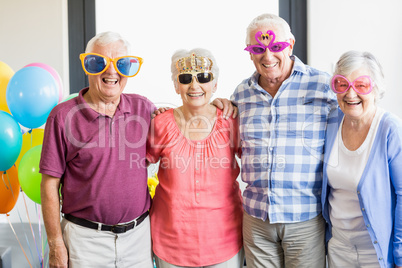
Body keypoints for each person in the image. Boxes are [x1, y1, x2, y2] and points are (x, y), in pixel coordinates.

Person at [215, 13, 338, 267]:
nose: (267, 56)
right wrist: (218, 106)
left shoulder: (322, 86)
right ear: (249, 53)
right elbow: (233, 143)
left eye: (276, 47)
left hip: (304, 219)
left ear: (290, 45)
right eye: (258, 48)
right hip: (256, 219)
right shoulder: (241, 93)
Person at [40, 31, 155, 268]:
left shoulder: (143, 108)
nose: (111, 71)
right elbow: (49, 184)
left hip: (138, 238)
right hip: (85, 241)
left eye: (121, 64)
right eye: (99, 62)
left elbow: (184, 123)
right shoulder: (62, 117)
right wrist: (55, 244)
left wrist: (219, 104)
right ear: (87, 66)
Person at [146, 48, 244, 268]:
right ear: (175, 85)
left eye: (203, 77)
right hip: (170, 242)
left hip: (225, 240)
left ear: (215, 84)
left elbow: (255, 163)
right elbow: (136, 169)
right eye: (185, 78)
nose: (194, 86)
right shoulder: (160, 124)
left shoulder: (231, 122)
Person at [322, 51, 402, 268]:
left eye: (361, 85)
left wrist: (400, 252)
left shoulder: (389, 129)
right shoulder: (331, 123)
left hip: (375, 251)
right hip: (338, 247)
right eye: (342, 85)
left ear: (375, 89)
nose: (350, 94)